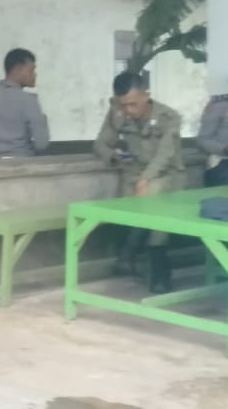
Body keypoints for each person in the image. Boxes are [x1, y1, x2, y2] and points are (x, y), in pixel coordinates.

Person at [93, 71, 184, 293]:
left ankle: (158, 268)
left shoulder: (169, 117)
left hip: (166, 174)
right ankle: (129, 256)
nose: (129, 110)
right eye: (124, 105)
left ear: (146, 95)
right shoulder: (118, 112)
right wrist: (113, 155)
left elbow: (165, 155)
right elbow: (101, 143)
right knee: (128, 206)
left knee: (154, 200)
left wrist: (145, 179)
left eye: (133, 104)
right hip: (134, 172)